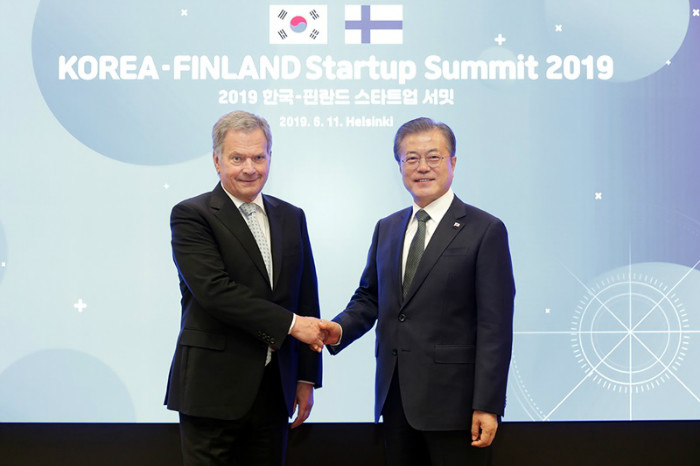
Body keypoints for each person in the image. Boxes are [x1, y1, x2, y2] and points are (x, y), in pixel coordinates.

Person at [320, 117, 515, 466]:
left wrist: (488, 403)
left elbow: (495, 326)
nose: (422, 167)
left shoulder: (485, 230)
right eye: (411, 158)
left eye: (433, 157)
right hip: (395, 401)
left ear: (453, 162)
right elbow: (370, 298)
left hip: (456, 407)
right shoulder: (388, 228)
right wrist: (338, 330)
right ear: (399, 166)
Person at [165, 110, 325, 466]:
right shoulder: (193, 215)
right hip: (212, 391)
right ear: (217, 161)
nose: (249, 168)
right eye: (237, 158)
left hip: (274, 391)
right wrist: (291, 324)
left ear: (270, 157)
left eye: (258, 157)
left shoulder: (291, 216)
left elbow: (305, 296)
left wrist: (305, 378)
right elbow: (214, 292)